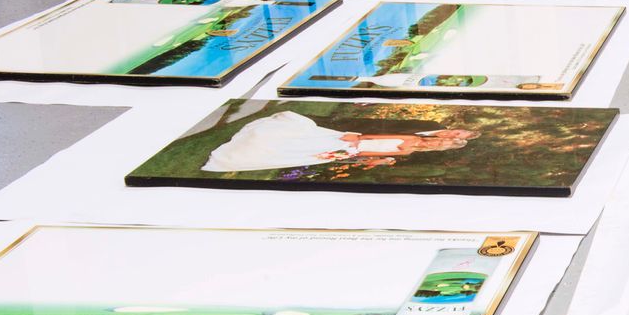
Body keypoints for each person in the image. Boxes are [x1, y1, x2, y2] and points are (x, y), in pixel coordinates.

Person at [203, 110, 477, 173]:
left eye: (447, 143)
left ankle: (247, 154)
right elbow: (377, 137)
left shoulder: (413, 151)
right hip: (355, 138)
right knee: (306, 133)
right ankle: (259, 137)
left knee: (303, 152)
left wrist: (355, 155)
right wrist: (357, 140)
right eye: (454, 135)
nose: (444, 140)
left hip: (348, 151)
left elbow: (371, 153)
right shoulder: (417, 133)